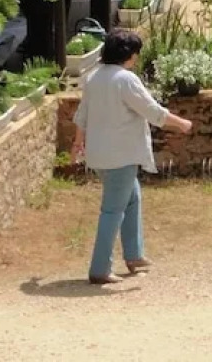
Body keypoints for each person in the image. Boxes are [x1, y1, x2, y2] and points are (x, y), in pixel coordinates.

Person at [72, 29, 194, 285]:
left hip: (102, 155)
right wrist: (181, 123)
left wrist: (77, 143)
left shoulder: (94, 78)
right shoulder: (125, 80)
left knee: (132, 199)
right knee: (113, 210)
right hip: (121, 156)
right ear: (128, 54)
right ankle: (99, 268)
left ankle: (134, 255)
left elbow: (82, 115)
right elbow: (151, 110)